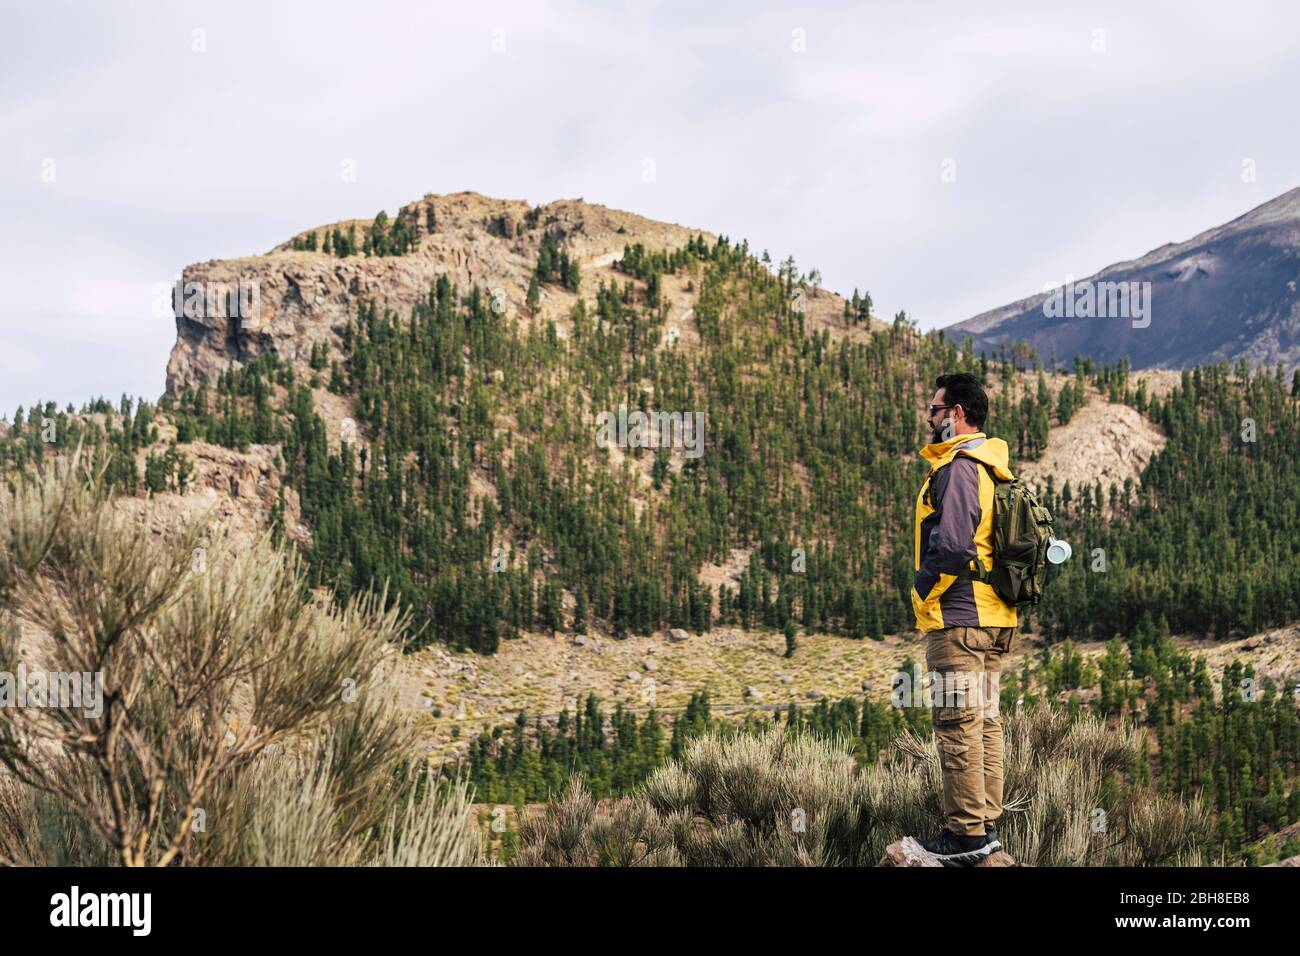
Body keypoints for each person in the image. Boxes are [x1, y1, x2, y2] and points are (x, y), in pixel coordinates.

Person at [912, 372, 1017, 866]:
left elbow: (953, 546)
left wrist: (920, 590)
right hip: (998, 618)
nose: (930, 419)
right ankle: (986, 827)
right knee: (986, 722)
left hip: (960, 618)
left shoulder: (958, 467)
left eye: (935, 410)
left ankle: (966, 837)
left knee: (957, 723)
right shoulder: (996, 466)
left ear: (955, 414)